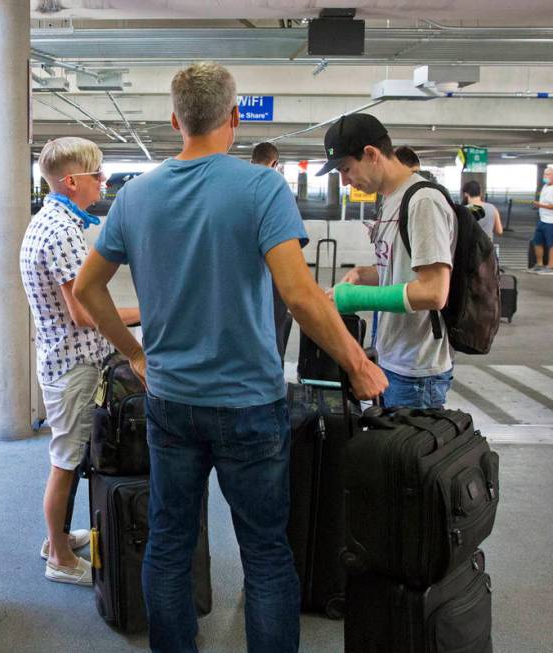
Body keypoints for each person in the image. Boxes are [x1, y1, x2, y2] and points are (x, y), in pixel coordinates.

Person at [73, 63, 386, 653]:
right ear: (235, 119)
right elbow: (299, 294)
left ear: (175, 121)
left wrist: (134, 352)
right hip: (248, 403)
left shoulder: (135, 195)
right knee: (266, 552)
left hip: (170, 401)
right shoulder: (260, 188)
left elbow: (88, 291)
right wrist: (357, 363)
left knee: (168, 542)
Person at [19, 137, 140, 586]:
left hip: (62, 361)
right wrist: (142, 321)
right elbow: (85, 312)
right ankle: (59, 560)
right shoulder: (62, 232)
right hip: (72, 369)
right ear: (71, 182)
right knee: (66, 462)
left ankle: (59, 540)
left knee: (67, 457)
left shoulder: (50, 220)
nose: (103, 182)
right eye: (97, 175)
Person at [321, 114, 457, 409]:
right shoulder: (390, 199)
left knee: (404, 455)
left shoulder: (422, 201)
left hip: (416, 372)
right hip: (392, 359)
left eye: (346, 169)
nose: (344, 181)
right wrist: (362, 275)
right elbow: (402, 269)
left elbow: (434, 292)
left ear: (371, 154)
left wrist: (355, 297)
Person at [251, 141, 290, 365]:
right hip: (272, 271)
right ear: (275, 162)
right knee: (274, 328)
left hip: (240, 273)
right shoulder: (276, 184)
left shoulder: (237, 183)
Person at [530, 167, 553, 274]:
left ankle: (550, 267)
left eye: (548, 174)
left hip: (552, 221)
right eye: (544, 174)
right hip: (542, 220)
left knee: (552, 244)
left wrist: (539, 205)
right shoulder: (545, 186)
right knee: (537, 242)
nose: (545, 176)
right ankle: (539, 265)